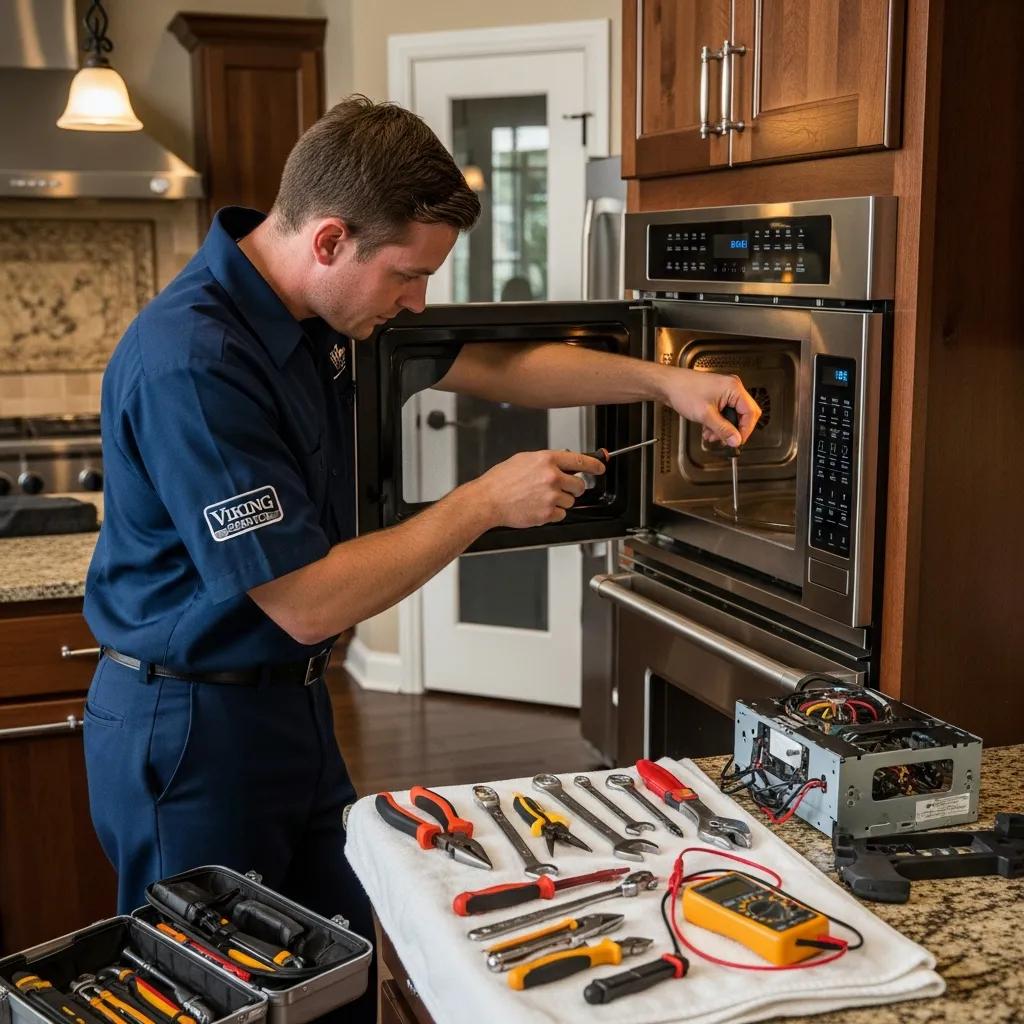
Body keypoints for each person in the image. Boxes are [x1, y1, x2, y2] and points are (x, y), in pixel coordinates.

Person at [82, 95, 760, 1022]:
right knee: (205, 1000)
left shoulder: (324, 312)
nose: (420, 302)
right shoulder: (195, 363)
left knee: (337, 977)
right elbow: (306, 602)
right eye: (408, 275)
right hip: (189, 726)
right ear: (329, 241)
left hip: (288, 708)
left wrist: (666, 383)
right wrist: (483, 503)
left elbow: (499, 367)